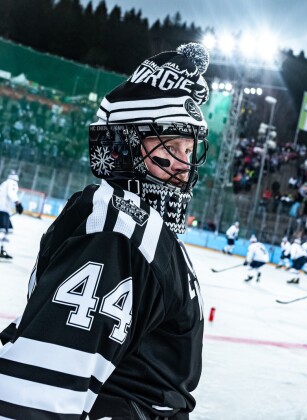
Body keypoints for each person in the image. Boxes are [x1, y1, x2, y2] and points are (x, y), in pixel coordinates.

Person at [0, 42, 210, 419]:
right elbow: (37, 398)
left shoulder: (137, 227)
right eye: (168, 146)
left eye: (188, 149)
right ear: (121, 147)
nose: (183, 165)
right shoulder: (118, 228)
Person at [0, 170, 24, 259]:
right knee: (2, 231)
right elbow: (11, 193)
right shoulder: (12, 183)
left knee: (9, 230)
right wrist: (18, 203)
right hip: (3, 210)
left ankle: (2, 250)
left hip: (4, 210)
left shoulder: (5, 183)